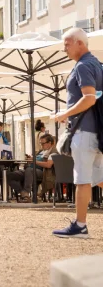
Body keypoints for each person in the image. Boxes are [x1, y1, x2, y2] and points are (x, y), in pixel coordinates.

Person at [52, 28, 103, 238]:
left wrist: (65, 113)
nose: (64, 48)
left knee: (82, 180)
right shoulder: (98, 65)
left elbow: (89, 98)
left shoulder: (82, 66)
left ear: (80, 43)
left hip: (84, 131)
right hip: (98, 131)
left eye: (67, 44)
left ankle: (80, 225)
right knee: (100, 177)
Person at [7, 133, 58, 203]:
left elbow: (48, 165)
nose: (41, 145)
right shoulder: (41, 151)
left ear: (49, 143)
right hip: (29, 170)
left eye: (43, 143)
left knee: (29, 170)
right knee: (9, 175)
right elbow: (34, 159)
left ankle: (26, 193)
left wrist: (34, 161)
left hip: (43, 172)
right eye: (40, 143)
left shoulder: (53, 152)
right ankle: (23, 193)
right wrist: (29, 159)